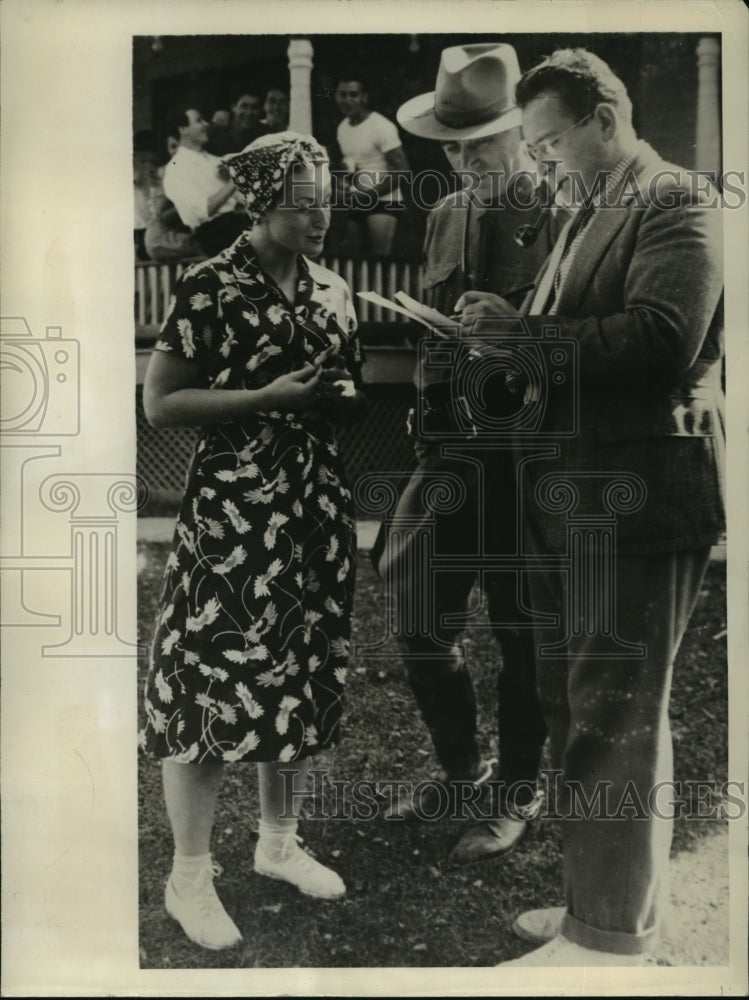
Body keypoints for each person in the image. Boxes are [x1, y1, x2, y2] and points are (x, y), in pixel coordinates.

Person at [455, 48, 724, 965]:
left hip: (637, 497)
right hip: (574, 492)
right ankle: (599, 909)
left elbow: (658, 338)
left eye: (549, 141)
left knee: (613, 712)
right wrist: (504, 321)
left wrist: (520, 335)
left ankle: (608, 944)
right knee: (576, 705)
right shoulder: (589, 208)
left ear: (602, 121)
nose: (540, 163)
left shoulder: (675, 198)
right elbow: (572, 332)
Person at [140, 131, 368, 951]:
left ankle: (277, 843)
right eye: (304, 202)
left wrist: (334, 395)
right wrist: (261, 397)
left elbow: (340, 384)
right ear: (265, 201)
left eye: (327, 201)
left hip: (311, 508)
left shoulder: (335, 290)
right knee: (208, 682)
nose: (321, 215)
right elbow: (162, 404)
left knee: (297, 676)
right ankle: (189, 877)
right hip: (235, 509)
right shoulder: (209, 284)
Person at [374, 43, 556, 863]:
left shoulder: (562, 212)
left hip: (526, 455)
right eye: (453, 145)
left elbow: (581, 341)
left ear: (519, 131)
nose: (466, 158)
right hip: (447, 448)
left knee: (523, 631)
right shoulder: (445, 212)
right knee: (420, 618)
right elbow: (434, 327)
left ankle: (517, 788)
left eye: (480, 142)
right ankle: (459, 769)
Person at [334, 74, 410, 255]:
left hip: (384, 201)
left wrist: (369, 196)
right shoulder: (342, 127)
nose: (347, 100)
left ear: (364, 97)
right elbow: (354, 166)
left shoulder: (381, 126)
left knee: (380, 262)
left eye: (353, 95)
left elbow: (403, 171)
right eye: (342, 95)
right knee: (350, 257)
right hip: (356, 199)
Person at [162, 106, 249, 256]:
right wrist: (235, 179)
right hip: (216, 233)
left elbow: (245, 198)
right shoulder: (175, 169)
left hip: (241, 222)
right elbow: (204, 210)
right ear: (183, 129)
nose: (206, 124)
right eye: (199, 121)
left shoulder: (216, 161)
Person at [208, 90, 269, 155]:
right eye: (244, 106)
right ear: (233, 107)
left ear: (260, 110)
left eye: (254, 107)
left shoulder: (267, 135)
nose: (249, 113)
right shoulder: (218, 134)